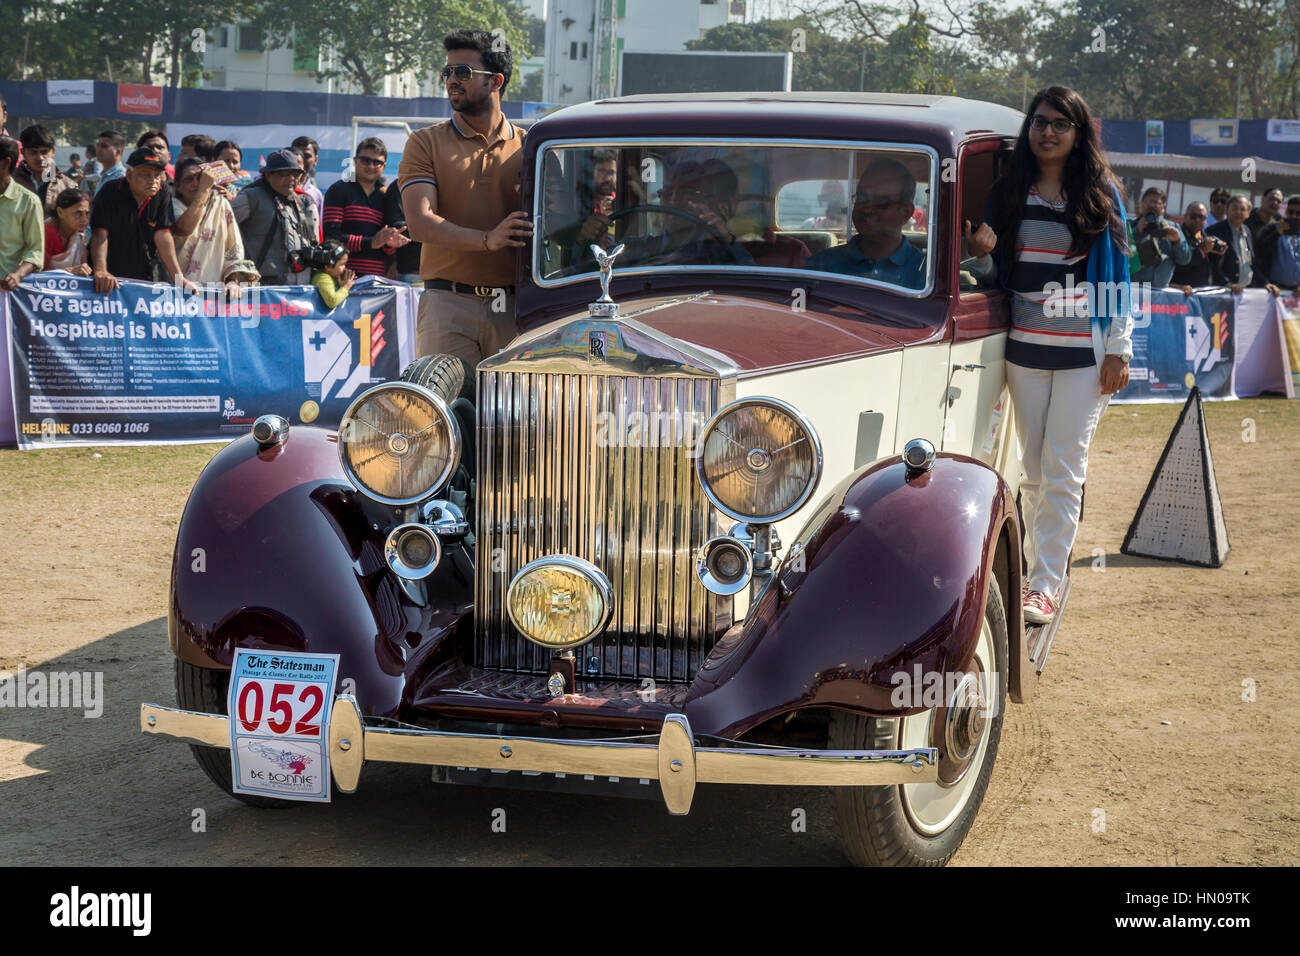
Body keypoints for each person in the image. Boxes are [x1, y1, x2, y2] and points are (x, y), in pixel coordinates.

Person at [965, 86, 1132, 626]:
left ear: (1079, 134)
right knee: (1031, 469)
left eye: (1061, 124)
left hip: (1086, 355)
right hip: (1024, 351)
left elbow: (1120, 279)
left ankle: (1045, 584)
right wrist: (983, 255)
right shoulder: (1010, 192)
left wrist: (1120, 350)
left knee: (1064, 469)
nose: (1048, 132)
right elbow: (996, 277)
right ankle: (1034, 570)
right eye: (1039, 122)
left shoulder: (1102, 195)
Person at [398, 28, 531, 370]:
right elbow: (420, 223)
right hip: (446, 306)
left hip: (515, 307)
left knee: (514, 420)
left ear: (496, 81)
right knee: (443, 416)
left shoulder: (531, 147)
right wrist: (488, 240)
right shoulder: (424, 143)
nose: (451, 80)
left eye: (463, 72)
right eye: (447, 72)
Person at [601, 157, 755, 271]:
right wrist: (589, 236)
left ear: (702, 201)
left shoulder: (718, 250)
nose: (673, 202)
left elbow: (750, 277)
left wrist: (725, 238)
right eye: (667, 194)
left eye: (684, 194)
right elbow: (596, 263)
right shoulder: (641, 247)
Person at [804, 157, 925, 288]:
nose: (867, 208)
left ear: (905, 213)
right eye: (862, 198)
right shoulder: (822, 265)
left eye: (881, 203)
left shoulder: (924, 271)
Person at [89, 147, 193, 293]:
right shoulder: (110, 191)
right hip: (110, 274)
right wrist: (101, 270)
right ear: (129, 174)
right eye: (146, 175)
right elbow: (100, 233)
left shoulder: (162, 191)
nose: (153, 181)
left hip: (144, 273)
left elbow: (162, 234)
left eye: (157, 175)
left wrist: (178, 278)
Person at [231, 147, 319, 285]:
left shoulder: (302, 202)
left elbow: (314, 240)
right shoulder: (250, 197)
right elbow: (222, 231)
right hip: (261, 288)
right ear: (268, 175)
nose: (291, 178)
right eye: (284, 173)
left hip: (300, 289)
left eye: (296, 174)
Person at [322, 136, 407, 277]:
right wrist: (371, 242)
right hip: (343, 281)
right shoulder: (338, 190)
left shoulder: (385, 197)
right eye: (366, 160)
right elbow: (331, 238)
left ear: (384, 166)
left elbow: (384, 248)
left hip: (377, 283)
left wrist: (389, 244)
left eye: (377, 162)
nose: (371, 166)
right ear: (355, 161)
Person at [171, 157, 246, 290]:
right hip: (179, 290)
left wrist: (232, 281)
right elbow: (185, 229)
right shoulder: (172, 205)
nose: (196, 184)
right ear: (178, 185)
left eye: (200, 178)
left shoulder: (220, 204)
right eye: (189, 179)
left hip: (216, 292)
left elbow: (232, 248)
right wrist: (204, 190)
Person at [0, 136, 44, 291]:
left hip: (9, 292)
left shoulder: (29, 202)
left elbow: (36, 251)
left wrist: (17, 275)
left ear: (6, 163)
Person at [1128, 187, 1189, 288]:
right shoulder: (1129, 226)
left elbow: (1184, 260)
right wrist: (1137, 233)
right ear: (1142, 205)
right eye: (1148, 202)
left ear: (1163, 207)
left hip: (1161, 293)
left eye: (1156, 202)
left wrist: (1177, 242)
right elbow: (1122, 257)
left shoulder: (1172, 228)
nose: (1151, 205)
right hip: (1135, 290)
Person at [13, 125, 79, 215]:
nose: (40, 158)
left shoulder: (68, 186)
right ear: (23, 152)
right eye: (34, 152)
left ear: (53, 151)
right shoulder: (9, 182)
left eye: (44, 152)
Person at [1171, 201, 1226, 292]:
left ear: (1206, 219)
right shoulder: (1177, 236)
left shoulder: (1207, 236)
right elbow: (1181, 262)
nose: (1197, 220)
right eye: (1193, 216)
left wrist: (1219, 254)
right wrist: (1202, 250)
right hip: (1181, 292)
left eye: (1201, 217)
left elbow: (1215, 267)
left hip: (1202, 292)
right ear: (1185, 217)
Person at [1206, 195, 1255, 293]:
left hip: (1246, 291)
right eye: (1234, 208)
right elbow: (1212, 264)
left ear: (1248, 214)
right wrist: (1228, 284)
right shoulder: (1215, 231)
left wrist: (1265, 282)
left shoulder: (1247, 230)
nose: (1238, 212)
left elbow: (1251, 261)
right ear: (1227, 211)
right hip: (1225, 290)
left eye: (1242, 209)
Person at [1255, 194, 1300, 293]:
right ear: (1286, 211)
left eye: (1298, 213)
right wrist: (1277, 233)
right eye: (1291, 212)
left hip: (1297, 292)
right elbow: (1260, 252)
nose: (1294, 216)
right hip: (1275, 289)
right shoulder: (1271, 228)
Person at [43, 187, 91, 274]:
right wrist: (69, 272)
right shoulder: (47, 234)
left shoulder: (79, 236)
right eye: (78, 213)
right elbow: (37, 272)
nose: (84, 219)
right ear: (60, 212)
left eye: (87, 213)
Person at [309, 240, 356, 309]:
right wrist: (346, 287)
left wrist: (341, 285)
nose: (345, 267)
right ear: (328, 266)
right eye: (342, 264)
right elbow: (332, 301)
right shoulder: (322, 278)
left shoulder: (331, 276)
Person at [291, 136, 324, 220]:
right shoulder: (279, 186)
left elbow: (318, 228)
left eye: (306, 156)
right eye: (297, 155)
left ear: (315, 160)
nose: (301, 160)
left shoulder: (316, 195)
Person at [93, 130, 127, 196]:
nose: (98, 150)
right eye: (98, 145)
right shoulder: (104, 176)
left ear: (118, 151)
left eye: (104, 146)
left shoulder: (121, 178)